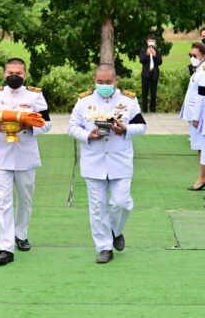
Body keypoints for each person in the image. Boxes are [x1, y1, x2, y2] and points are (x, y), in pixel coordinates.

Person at [68, 64, 146, 263]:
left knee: (122, 203)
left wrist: (125, 129)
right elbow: (72, 128)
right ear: (94, 81)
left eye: (108, 82)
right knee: (97, 208)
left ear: (116, 81)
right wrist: (88, 135)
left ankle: (115, 231)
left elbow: (141, 127)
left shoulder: (128, 100)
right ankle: (104, 247)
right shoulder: (84, 101)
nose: (104, 85)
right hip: (93, 161)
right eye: (100, 82)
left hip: (120, 161)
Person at [0, 58, 51, 266]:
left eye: (18, 73)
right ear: (4, 74)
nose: (14, 76)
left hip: (25, 154)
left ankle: (21, 234)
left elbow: (47, 123)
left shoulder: (34, 96)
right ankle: (5, 247)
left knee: (25, 199)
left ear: (25, 75)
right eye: (10, 72)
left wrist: (27, 126)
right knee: (3, 201)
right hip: (1, 154)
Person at [181, 43, 205, 191]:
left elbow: (202, 96)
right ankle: (202, 177)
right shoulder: (198, 69)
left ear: (203, 56)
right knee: (199, 147)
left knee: (201, 147)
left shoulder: (204, 72)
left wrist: (197, 117)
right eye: (190, 55)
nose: (192, 58)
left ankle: (203, 178)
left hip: (197, 115)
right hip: (193, 113)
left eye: (194, 55)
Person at [139, 35, 162, 113]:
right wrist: (147, 54)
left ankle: (153, 109)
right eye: (149, 41)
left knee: (153, 93)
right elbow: (141, 60)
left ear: (155, 42)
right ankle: (144, 109)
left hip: (154, 74)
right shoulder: (143, 50)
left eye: (153, 41)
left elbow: (160, 62)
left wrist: (155, 55)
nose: (151, 42)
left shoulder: (157, 50)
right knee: (144, 92)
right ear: (147, 42)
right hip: (145, 74)